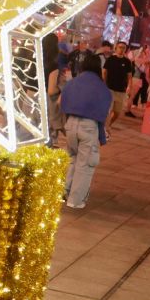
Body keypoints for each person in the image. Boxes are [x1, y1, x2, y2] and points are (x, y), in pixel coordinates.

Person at [59, 51, 113, 209]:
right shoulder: (102, 88)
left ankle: (63, 191)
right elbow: (104, 114)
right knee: (85, 164)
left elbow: (60, 103)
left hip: (70, 124)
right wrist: (104, 135)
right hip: (88, 127)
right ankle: (75, 201)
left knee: (72, 159)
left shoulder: (73, 82)